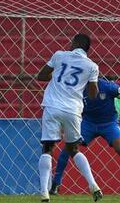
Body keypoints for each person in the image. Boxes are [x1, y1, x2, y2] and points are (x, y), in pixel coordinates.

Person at [49, 78, 120, 195]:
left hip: (109, 123)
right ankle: (55, 184)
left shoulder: (108, 87)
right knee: (69, 147)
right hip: (88, 123)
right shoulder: (78, 88)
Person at [37, 33, 102, 202]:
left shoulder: (59, 55)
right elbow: (94, 94)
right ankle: (93, 184)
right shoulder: (92, 66)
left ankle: (44, 192)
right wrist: (87, 83)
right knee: (73, 149)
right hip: (73, 110)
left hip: (52, 106)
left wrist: (60, 78)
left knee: (48, 148)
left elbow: (41, 76)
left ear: (75, 43)